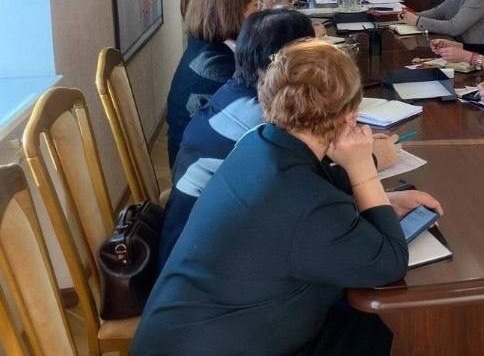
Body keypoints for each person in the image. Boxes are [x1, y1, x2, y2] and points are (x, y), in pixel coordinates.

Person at [134, 40, 443, 356]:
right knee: (375, 330)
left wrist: (386, 200)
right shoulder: (306, 202)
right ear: (349, 115)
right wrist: (363, 167)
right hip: (217, 342)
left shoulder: (259, 142)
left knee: (363, 325)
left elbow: (312, 189)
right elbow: (389, 262)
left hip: (181, 330)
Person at [158, 9, 399, 267]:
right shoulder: (262, 121)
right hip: (211, 257)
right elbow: (309, 186)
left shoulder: (236, 93)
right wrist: (369, 161)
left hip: (195, 247)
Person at [165, 0, 255, 167]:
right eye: (255, 5)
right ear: (236, 12)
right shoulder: (216, 66)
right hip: (201, 172)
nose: (259, 12)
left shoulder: (205, 48)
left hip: (194, 157)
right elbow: (260, 104)